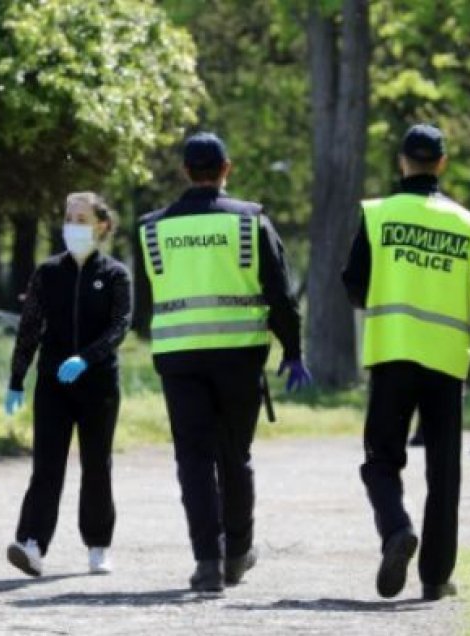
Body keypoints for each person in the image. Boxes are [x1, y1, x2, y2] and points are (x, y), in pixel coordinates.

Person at [135, 132, 310, 593]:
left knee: (193, 460)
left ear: (184, 172)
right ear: (226, 169)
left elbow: (144, 303)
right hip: (238, 357)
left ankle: (206, 561)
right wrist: (293, 350)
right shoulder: (251, 221)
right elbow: (280, 295)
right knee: (235, 456)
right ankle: (237, 552)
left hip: (179, 359)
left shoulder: (152, 227)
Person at [342, 123, 470, 602]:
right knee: (444, 472)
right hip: (444, 364)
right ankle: (436, 578)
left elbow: (354, 283)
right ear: (442, 163)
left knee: (381, 460)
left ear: (402, 162)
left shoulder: (378, 216)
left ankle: (396, 529)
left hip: (392, 356)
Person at [4, 192, 131, 577]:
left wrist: (87, 358)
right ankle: (31, 544)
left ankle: (98, 546)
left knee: (96, 465)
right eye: (69, 218)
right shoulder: (48, 273)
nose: (73, 226)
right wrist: (16, 379)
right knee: (46, 466)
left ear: (102, 226)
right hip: (53, 384)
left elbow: (120, 325)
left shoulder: (114, 275)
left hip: (99, 385)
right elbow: (29, 327)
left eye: (82, 218)